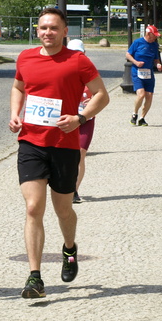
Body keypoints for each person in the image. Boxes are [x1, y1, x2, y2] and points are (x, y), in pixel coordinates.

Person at [9, 8, 109, 299]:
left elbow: (102, 94)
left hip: (64, 146)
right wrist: (15, 114)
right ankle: (35, 277)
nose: (47, 33)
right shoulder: (26, 58)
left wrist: (80, 118)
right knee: (32, 208)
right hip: (31, 143)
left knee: (63, 209)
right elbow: (18, 86)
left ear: (65, 32)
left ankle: (69, 248)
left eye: (53, 28)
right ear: (37, 31)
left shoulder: (77, 60)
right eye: (42, 28)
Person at [67, 39, 93, 203]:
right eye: (73, 53)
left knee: (80, 154)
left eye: (79, 53)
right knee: (66, 155)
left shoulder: (90, 71)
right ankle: (63, 187)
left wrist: (93, 101)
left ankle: (74, 190)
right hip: (66, 119)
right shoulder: (62, 72)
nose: (76, 56)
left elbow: (101, 94)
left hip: (85, 119)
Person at [125, 24, 162, 127]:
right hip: (137, 71)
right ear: (148, 34)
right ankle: (134, 113)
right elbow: (128, 54)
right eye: (154, 35)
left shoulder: (155, 45)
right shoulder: (138, 42)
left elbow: (156, 59)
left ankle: (142, 118)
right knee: (141, 94)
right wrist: (136, 62)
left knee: (149, 96)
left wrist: (158, 64)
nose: (155, 37)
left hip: (149, 72)